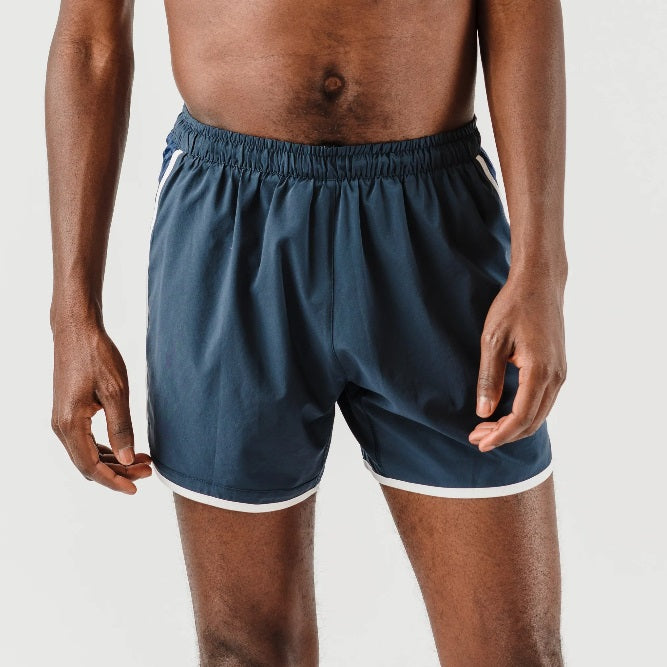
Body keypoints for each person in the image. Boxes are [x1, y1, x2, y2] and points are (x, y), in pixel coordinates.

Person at [46, 1, 567, 665]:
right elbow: (90, 41)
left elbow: (522, 12)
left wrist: (541, 268)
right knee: (244, 652)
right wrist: (73, 314)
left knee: (515, 652)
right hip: (230, 224)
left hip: (434, 225)